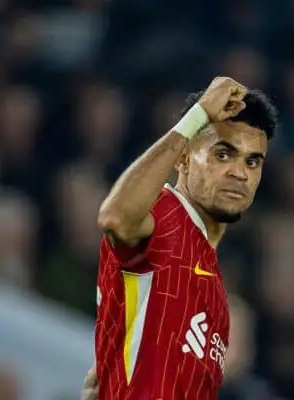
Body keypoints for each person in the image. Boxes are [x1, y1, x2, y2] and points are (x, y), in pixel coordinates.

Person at [86, 76, 278, 399]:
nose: (240, 172)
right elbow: (116, 217)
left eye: (252, 161)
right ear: (183, 158)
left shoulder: (218, 296)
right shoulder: (166, 213)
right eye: (223, 154)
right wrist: (198, 116)